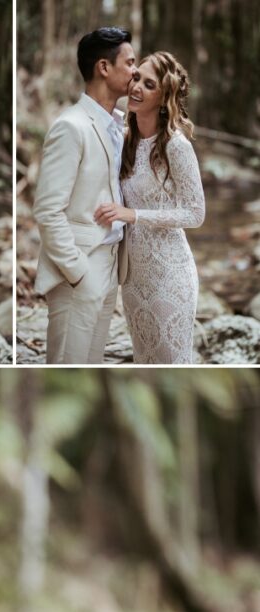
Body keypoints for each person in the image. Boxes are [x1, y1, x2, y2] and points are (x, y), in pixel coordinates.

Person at [34, 27, 138, 363]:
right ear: (104, 68)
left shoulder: (117, 127)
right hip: (79, 270)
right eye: (130, 62)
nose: (136, 71)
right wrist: (79, 273)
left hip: (110, 267)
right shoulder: (71, 126)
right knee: (67, 367)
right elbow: (48, 210)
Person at [94, 52, 205, 363]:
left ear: (164, 96)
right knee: (144, 362)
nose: (137, 87)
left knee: (172, 364)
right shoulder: (126, 140)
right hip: (133, 279)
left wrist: (134, 215)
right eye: (136, 77)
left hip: (170, 274)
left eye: (149, 84)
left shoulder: (176, 146)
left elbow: (195, 213)